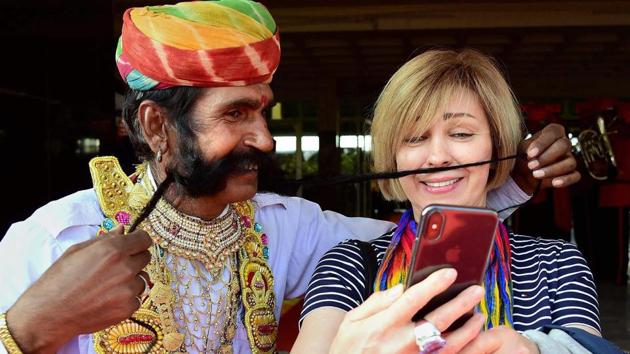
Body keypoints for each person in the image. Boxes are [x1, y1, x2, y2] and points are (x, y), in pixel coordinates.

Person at [0, 2, 580, 354]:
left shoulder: (291, 229)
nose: (266, 140)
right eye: (235, 114)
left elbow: (429, 226)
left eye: (263, 111)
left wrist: (512, 172)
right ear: (157, 125)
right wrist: (30, 325)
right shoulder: (55, 237)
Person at [295, 49, 605, 354]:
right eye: (415, 138)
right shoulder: (349, 264)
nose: (437, 157)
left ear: (497, 149)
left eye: (460, 133)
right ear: (393, 156)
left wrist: (535, 349)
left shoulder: (554, 263)